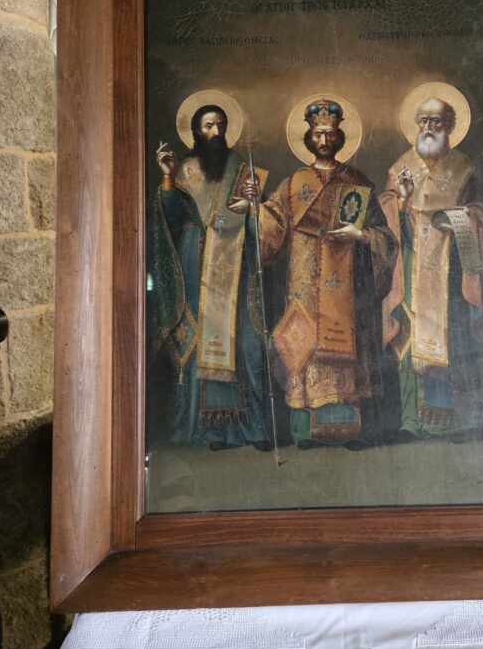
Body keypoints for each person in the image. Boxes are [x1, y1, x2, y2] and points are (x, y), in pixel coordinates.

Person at [241, 100, 398, 448]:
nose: (324, 140)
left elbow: (385, 237)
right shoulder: (293, 183)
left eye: (329, 133)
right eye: (317, 134)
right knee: (306, 349)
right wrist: (255, 208)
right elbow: (272, 228)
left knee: (348, 348)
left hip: (349, 290)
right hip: (305, 290)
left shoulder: (357, 180)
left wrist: (361, 235)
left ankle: (352, 431)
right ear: (308, 138)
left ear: (340, 137)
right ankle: (307, 431)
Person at [152, 104, 271, 450]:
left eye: (220, 125)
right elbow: (170, 218)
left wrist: (254, 206)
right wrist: (168, 179)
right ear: (196, 131)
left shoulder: (242, 168)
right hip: (197, 262)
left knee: (246, 343)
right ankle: (212, 429)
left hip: (237, 262)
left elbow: (261, 225)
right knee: (202, 338)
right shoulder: (186, 169)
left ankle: (251, 428)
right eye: (208, 126)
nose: (215, 132)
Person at [381, 97, 483, 441]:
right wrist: (401, 201)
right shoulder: (402, 166)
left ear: (450, 126)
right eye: (423, 121)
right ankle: (410, 421)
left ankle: (449, 421)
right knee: (409, 341)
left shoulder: (463, 168)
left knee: (452, 340)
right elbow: (387, 214)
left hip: (450, 272)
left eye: (436, 121)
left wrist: (459, 219)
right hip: (410, 267)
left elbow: (480, 213)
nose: (429, 128)